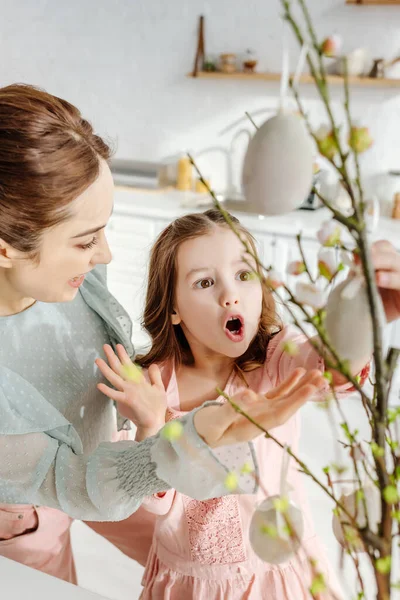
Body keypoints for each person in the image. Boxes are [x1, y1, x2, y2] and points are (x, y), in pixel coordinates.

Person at [0, 84, 326, 584]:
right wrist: (182, 435)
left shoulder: (73, 275)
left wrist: (358, 325)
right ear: (7, 248)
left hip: (100, 474)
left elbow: (320, 362)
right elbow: (76, 481)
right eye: (87, 240)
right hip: (27, 516)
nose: (105, 255)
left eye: (104, 230)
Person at [97, 209, 395, 599]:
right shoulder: (153, 383)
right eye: (205, 282)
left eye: (243, 274)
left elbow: (331, 366)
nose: (230, 294)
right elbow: (149, 501)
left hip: (275, 577)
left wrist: (358, 316)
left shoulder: (274, 360)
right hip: (186, 584)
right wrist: (149, 425)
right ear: (173, 308)